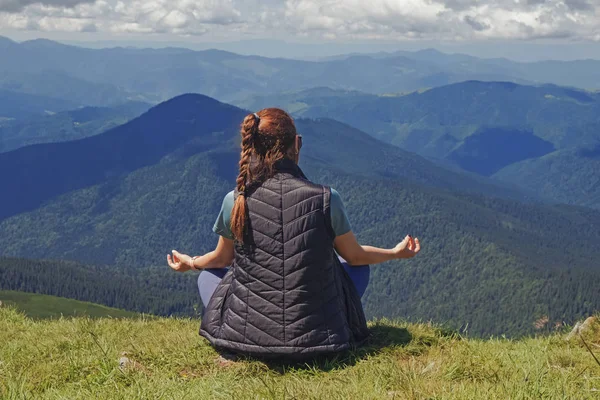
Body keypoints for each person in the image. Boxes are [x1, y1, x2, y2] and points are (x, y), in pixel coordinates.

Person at [168, 108, 421, 359]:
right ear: (296, 144)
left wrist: (191, 263)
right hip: (321, 338)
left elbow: (221, 259)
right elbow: (355, 257)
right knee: (357, 268)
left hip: (244, 339)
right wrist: (395, 253)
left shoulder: (236, 200)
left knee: (207, 276)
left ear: (252, 146)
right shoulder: (326, 198)